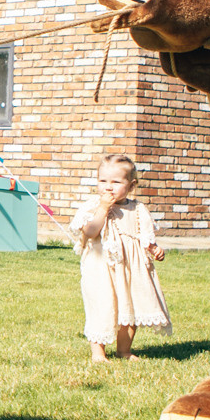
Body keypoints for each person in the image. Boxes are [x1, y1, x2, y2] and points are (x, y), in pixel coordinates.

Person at [72, 153, 171, 362]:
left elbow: (145, 237)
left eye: (116, 182)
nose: (108, 187)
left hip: (131, 269)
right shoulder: (93, 207)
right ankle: (98, 352)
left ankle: (124, 350)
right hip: (101, 268)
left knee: (130, 308)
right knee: (102, 305)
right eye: (103, 181)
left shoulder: (138, 209)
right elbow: (90, 232)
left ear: (131, 185)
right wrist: (103, 208)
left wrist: (154, 249)